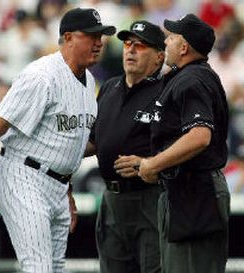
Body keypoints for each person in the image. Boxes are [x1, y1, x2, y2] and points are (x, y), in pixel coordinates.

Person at [0, 7, 116, 273]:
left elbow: (65, 141)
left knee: (54, 268)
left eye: (101, 36)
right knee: (38, 268)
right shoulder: (41, 76)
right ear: (68, 38)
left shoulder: (89, 80)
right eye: (91, 36)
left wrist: (64, 183)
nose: (99, 42)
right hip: (24, 175)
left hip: (55, 183)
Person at [138, 14, 230, 273]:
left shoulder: (192, 79)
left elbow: (200, 136)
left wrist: (153, 164)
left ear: (184, 47)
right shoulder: (186, 77)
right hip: (185, 192)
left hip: (196, 193)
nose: (166, 42)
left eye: (171, 37)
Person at [85, 20, 165, 273]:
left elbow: (182, 145)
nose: (130, 50)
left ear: (159, 57)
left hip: (150, 197)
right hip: (112, 198)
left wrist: (148, 163)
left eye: (140, 46)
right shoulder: (109, 87)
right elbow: (94, 141)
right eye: (128, 44)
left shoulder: (167, 90)